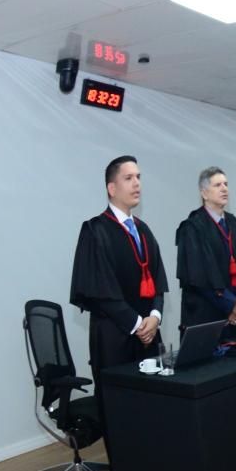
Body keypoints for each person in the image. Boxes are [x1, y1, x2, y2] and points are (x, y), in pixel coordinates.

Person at [69, 155, 170, 392]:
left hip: (149, 335)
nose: (137, 183)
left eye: (138, 177)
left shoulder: (144, 230)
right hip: (115, 337)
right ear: (112, 188)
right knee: (121, 410)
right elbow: (101, 290)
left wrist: (155, 317)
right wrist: (137, 325)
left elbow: (158, 280)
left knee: (158, 404)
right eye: (129, 178)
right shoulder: (95, 230)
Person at [174, 166, 236, 340]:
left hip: (233, 316)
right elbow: (198, 276)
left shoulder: (233, 223)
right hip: (205, 317)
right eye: (217, 185)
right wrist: (232, 304)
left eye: (226, 184)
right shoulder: (192, 227)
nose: (224, 188)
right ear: (204, 193)